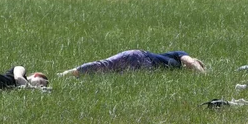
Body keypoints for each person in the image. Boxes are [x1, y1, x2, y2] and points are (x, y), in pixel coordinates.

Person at [58, 50, 205, 77]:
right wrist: (203, 74)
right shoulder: (179, 55)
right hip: (140, 57)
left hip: (144, 70)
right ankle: (67, 74)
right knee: (103, 66)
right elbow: (189, 61)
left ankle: (75, 78)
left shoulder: (178, 75)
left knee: (104, 74)